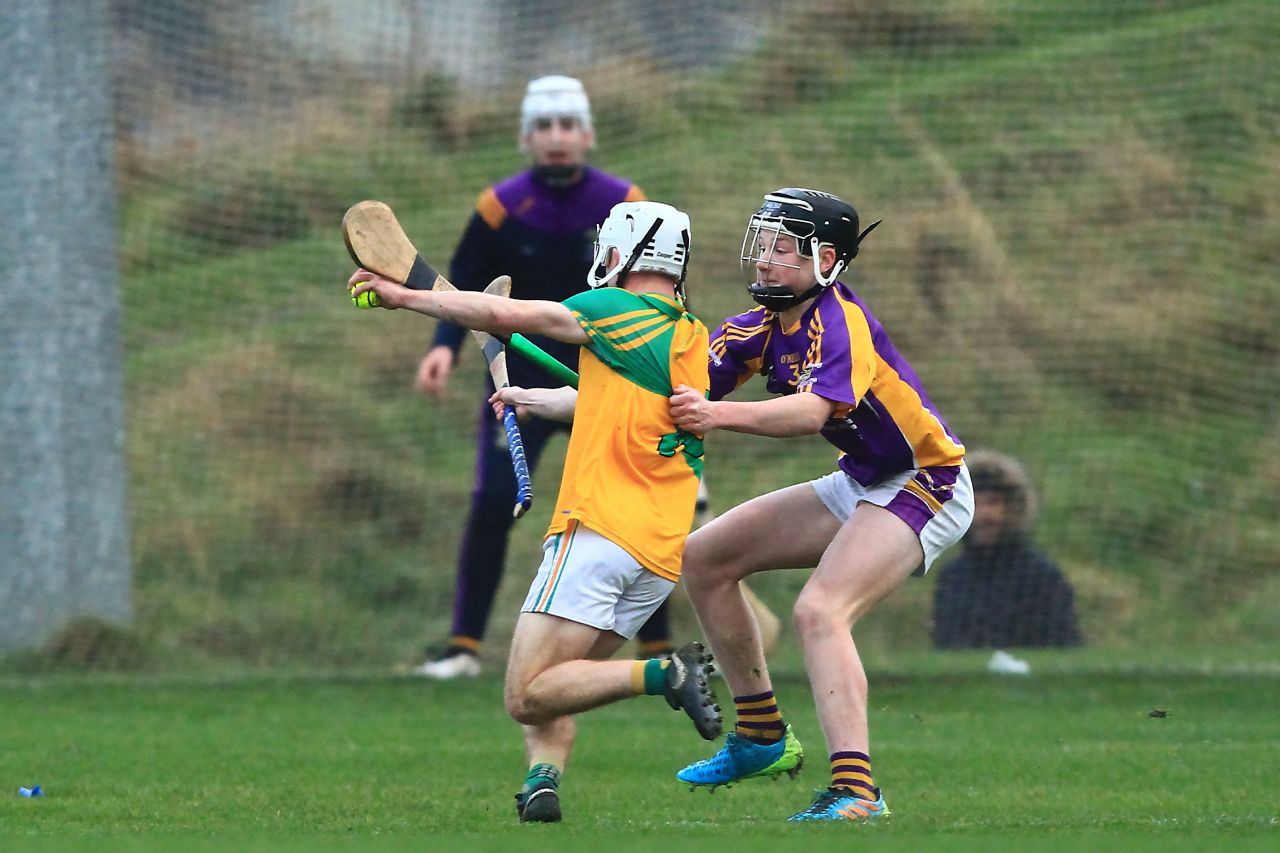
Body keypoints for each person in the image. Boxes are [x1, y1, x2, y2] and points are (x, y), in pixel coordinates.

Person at [350, 200, 721, 824]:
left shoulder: (615, 309)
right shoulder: (687, 333)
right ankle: (542, 782)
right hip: (657, 552)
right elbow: (610, 407)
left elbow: (504, 313)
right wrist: (532, 398)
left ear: (617, 253)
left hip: (600, 530)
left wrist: (407, 298)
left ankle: (665, 673)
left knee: (525, 693)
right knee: (561, 679)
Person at [666, 188, 975, 822]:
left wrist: (716, 415)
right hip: (863, 477)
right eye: (764, 245)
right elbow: (672, 390)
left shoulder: (841, 323)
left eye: (783, 249)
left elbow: (815, 411)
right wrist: (554, 399)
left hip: (927, 478)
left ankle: (858, 792)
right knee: (704, 559)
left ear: (827, 260)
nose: (765, 261)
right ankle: (760, 736)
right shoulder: (756, 328)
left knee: (821, 610)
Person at [410, 75, 676, 678]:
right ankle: (463, 649)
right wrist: (443, 347)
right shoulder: (499, 207)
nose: (556, 139)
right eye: (544, 127)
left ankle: (656, 644)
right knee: (495, 500)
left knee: (631, 505)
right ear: (526, 138)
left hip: (612, 378)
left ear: (587, 135)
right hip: (517, 379)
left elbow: (655, 288)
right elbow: (464, 282)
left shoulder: (625, 201)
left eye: (567, 126)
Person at [931, 449, 1082, 655]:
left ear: (1013, 507)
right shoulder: (952, 577)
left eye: (993, 502)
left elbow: (1064, 646)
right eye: (975, 503)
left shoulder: (1041, 575)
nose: (984, 515)